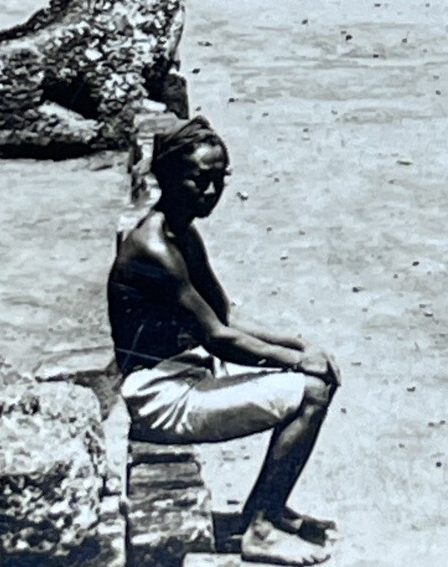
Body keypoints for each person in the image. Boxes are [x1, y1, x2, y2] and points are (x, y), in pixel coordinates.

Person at [107, 118, 341, 566]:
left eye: (220, 179)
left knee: (312, 375)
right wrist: (297, 362)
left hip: (185, 372)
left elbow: (227, 313)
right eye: (201, 179)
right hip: (160, 397)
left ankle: (264, 509)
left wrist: (300, 343)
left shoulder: (182, 233)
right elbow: (216, 337)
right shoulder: (154, 249)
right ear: (169, 178)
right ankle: (262, 529)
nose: (212, 191)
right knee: (312, 392)